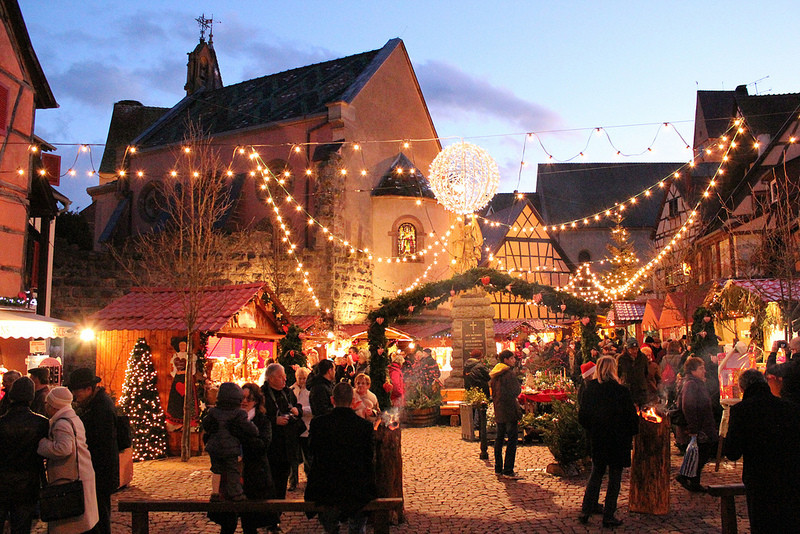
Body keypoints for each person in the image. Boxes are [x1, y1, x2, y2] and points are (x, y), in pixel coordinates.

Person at [724, 369, 800, 533]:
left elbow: (732, 452)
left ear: (743, 388)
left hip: (759, 479)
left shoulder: (741, 410)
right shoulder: (789, 407)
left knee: (762, 524)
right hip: (790, 476)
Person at [305, 382, 377, 534]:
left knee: (330, 527)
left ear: (332, 400)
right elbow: (369, 457)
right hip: (356, 487)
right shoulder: (364, 426)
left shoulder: (319, 424)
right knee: (357, 528)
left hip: (326, 487)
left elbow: (311, 451)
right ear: (352, 401)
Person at [578, 356, 639, 528]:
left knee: (596, 473)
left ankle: (587, 509)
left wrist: (593, 428)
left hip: (599, 438)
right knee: (614, 477)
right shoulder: (621, 391)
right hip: (617, 440)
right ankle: (609, 515)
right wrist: (632, 432)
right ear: (613, 369)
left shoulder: (591, 390)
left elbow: (583, 416)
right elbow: (630, 417)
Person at [209, 383, 276, 534]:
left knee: (250, 524)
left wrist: (243, 436)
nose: (244, 402)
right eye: (242, 398)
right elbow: (211, 438)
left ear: (256, 401)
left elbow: (263, 445)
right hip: (230, 475)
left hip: (253, 476)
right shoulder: (226, 418)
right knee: (227, 524)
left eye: (249, 399)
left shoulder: (262, 421)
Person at [37, 387, 99, 534]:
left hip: (68, 480)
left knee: (68, 526)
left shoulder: (62, 423)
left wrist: (42, 444)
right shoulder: (73, 419)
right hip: (81, 475)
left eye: (47, 403)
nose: (45, 406)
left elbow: (63, 448)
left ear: (54, 406)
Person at [68, 368, 118, 534]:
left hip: (100, 471)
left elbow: (100, 442)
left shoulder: (100, 407)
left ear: (88, 389)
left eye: (77, 391)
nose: (75, 396)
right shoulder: (98, 403)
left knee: (100, 515)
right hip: (101, 470)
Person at [0, 377, 49, 533]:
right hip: (28, 483)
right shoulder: (41, 423)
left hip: (2, 481)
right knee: (21, 527)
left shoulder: (2, 423)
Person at [262, 363, 302, 532]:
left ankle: (276, 517)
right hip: (270, 447)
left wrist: (296, 410)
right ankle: (269, 518)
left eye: (284, 375)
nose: (285, 378)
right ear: (270, 378)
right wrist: (273, 421)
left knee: (281, 484)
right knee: (269, 484)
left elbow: (297, 406)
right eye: (280, 376)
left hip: (287, 446)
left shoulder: (288, 392)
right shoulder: (262, 394)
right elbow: (257, 417)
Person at [202, 382, 259, 501]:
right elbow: (247, 427)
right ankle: (235, 493)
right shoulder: (238, 413)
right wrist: (254, 430)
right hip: (230, 448)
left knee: (216, 470)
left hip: (215, 447)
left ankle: (215, 493)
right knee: (232, 470)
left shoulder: (213, 411)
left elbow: (206, 424)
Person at [675, 357, 718, 493]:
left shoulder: (697, 383)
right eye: (701, 368)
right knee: (701, 453)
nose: (704, 371)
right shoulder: (691, 384)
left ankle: (690, 479)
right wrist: (693, 428)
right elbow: (688, 406)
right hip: (700, 426)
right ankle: (688, 478)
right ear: (693, 370)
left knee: (700, 453)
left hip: (703, 424)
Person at [490, 350, 523, 479]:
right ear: (506, 360)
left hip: (499, 409)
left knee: (499, 439)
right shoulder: (508, 374)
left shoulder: (495, 374)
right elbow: (515, 390)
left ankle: (498, 468)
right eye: (512, 358)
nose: (514, 360)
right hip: (509, 410)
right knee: (512, 439)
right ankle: (508, 469)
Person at [288, 367, 312, 492]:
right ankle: (293, 481)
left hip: (306, 427)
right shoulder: (291, 390)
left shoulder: (310, 391)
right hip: (294, 427)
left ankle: (309, 479)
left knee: (307, 455)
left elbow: (313, 407)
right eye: (300, 378)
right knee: (293, 457)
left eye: (304, 378)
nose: (302, 381)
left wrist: (301, 411)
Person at [616, 338, 649, 407]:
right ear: (627, 349)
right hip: (628, 389)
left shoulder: (643, 357)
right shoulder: (621, 359)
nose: (635, 351)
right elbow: (618, 374)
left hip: (641, 389)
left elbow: (646, 372)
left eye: (636, 348)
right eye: (632, 349)